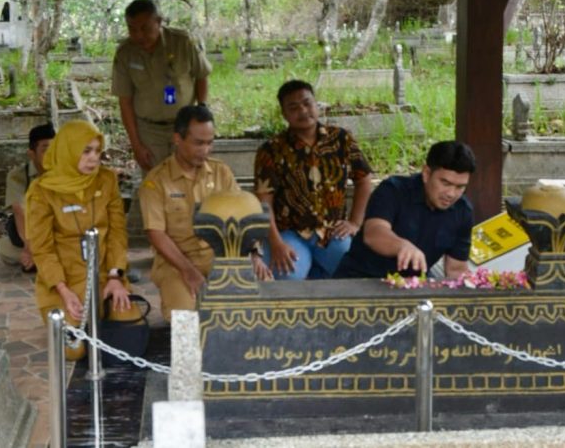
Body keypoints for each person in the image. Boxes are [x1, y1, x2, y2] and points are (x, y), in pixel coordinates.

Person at [26, 120, 133, 357]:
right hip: (65, 283)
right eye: (86, 151)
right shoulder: (42, 191)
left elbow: (117, 233)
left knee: (129, 339)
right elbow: (42, 249)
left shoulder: (106, 180)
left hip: (105, 278)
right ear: (68, 149)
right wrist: (63, 290)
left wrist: (116, 277)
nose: (93, 158)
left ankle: (103, 316)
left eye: (97, 151)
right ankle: (61, 317)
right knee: (75, 349)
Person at [254, 79, 373, 280]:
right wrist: (275, 243)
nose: (302, 111)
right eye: (293, 107)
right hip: (290, 233)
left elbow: (364, 179)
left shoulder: (341, 139)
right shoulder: (271, 150)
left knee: (355, 271)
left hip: (333, 232)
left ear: (316, 104)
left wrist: (354, 222)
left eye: (307, 103)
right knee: (286, 275)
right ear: (284, 114)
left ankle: (320, 276)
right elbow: (264, 201)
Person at [140, 105, 243, 321]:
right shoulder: (156, 181)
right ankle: (189, 356)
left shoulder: (221, 172)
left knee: (252, 303)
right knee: (185, 318)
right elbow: (156, 233)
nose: (205, 150)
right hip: (175, 262)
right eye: (198, 143)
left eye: (210, 143)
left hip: (219, 257)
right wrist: (188, 271)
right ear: (177, 139)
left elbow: (242, 216)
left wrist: (253, 254)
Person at [334, 141, 476, 280]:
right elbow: (373, 233)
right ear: (426, 173)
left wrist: (484, 283)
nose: (451, 194)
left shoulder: (462, 211)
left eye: (460, 187)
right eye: (445, 183)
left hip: (413, 287)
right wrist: (402, 246)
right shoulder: (393, 190)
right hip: (360, 280)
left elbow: (456, 269)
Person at [112, 0, 211, 172]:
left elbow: (201, 75)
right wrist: (136, 145)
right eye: (132, 29)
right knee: (155, 184)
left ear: (158, 22)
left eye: (145, 28)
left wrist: (202, 111)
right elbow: (125, 101)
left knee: (189, 178)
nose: (139, 36)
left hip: (184, 127)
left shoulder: (183, 42)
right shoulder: (125, 53)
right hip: (149, 132)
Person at [0, 123, 55, 270]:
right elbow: (19, 211)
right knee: (4, 248)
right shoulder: (18, 176)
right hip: (33, 234)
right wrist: (30, 247)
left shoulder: (67, 171)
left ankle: (43, 259)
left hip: (62, 234)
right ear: (31, 154)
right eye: (46, 149)